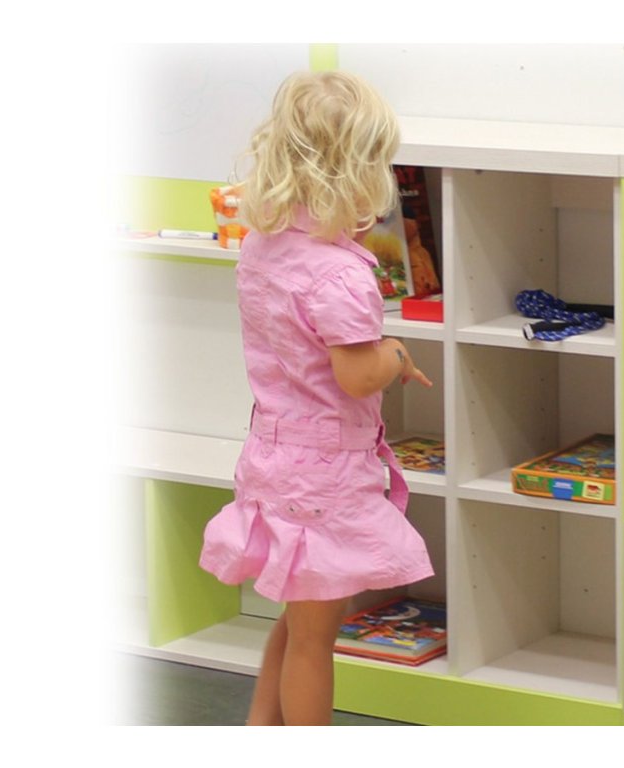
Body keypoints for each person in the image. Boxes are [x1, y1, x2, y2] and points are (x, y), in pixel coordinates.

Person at [199, 70, 435, 726]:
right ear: (357, 172)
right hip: (324, 474)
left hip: (273, 457)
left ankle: (261, 730)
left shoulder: (266, 245)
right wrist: (396, 353)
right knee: (313, 639)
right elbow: (356, 375)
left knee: (298, 616)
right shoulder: (340, 274)